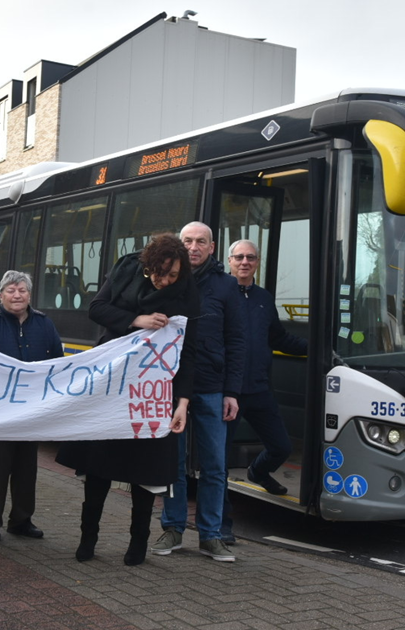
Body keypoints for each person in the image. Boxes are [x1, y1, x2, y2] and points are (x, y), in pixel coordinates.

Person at [55, 234, 198, 566]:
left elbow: (189, 351)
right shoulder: (125, 269)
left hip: (154, 394)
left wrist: (183, 402)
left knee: (145, 470)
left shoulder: (188, 292)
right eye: (159, 273)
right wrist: (138, 321)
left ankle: (138, 543)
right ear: (146, 265)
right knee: (98, 466)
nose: (165, 281)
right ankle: (87, 538)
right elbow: (97, 308)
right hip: (114, 386)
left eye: (172, 275)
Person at [152, 221, 245, 563]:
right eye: (187, 241)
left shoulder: (226, 287)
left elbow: (237, 341)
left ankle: (210, 534)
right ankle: (173, 528)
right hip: (170, 386)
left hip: (211, 388)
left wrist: (231, 391)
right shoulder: (168, 279)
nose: (193, 247)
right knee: (172, 463)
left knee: (215, 466)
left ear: (212, 247)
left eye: (200, 242)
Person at [221, 239, 308, 542]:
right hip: (227, 392)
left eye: (251, 258)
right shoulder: (219, 294)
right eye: (239, 257)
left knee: (281, 446)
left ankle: (258, 473)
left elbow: (279, 338)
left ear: (257, 262)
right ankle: (221, 526)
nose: (244, 262)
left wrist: (316, 348)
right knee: (219, 461)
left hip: (258, 388)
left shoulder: (263, 298)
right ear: (229, 261)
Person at [0, 270, 63, 542]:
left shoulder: (45, 325)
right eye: (11, 290)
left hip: (30, 412)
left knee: (26, 469)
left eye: (22, 290)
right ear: (1, 295)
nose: (17, 295)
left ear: (29, 295)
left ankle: (21, 520)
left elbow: (57, 363)